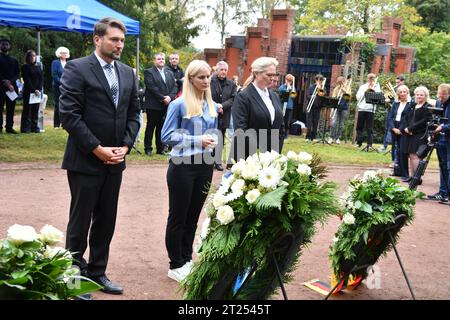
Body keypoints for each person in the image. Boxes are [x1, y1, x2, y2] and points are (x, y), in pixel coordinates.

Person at [59, 17, 140, 295]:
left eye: (122, 41)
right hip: (85, 160)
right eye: (114, 39)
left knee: (107, 219)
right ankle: (73, 276)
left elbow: (133, 113)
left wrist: (126, 146)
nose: (119, 45)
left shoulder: (128, 73)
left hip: (116, 161)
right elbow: (69, 115)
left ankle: (97, 272)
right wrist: (97, 149)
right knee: (80, 221)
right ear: (98, 39)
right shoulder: (77, 68)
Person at [161, 60, 219, 282]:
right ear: (191, 79)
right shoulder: (178, 105)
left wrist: (212, 143)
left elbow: (210, 133)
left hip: (205, 165)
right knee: (178, 216)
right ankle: (175, 264)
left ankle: (186, 259)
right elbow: (166, 137)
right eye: (201, 77)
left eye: (208, 77)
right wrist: (197, 139)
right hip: (182, 166)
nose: (206, 81)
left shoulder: (210, 105)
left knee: (193, 217)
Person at [231, 57, 284, 161]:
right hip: (249, 157)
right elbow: (241, 129)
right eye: (269, 75)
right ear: (256, 73)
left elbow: (280, 127)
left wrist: (275, 152)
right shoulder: (243, 96)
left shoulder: (275, 96)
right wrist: (258, 154)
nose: (272, 78)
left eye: (274, 75)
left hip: (272, 156)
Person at [143, 52, 178, 156]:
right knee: (150, 127)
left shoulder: (169, 72)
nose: (161, 60)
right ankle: (148, 148)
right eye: (159, 59)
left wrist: (170, 97)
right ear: (154, 61)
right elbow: (151, 87)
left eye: (162, 59)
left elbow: (175, 86)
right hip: (153, 105)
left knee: (161, 128)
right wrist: (163, 98)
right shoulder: (148, 72)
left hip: (166, 105)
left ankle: (160, 149)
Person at [399, 86, 432, 182]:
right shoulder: (412, 105)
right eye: (417, 94)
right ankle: (413, 177)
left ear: (425, 96)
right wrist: (405, 128)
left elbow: (424, 121)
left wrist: (410, 128)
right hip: (409, 134)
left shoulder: (427, 107)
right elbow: (406, 117)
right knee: (410, 155)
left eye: (421, 95)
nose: (419, 96)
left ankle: (417, 178)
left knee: (416, 156)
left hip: (419, 134)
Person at [210, 61, 236, 171]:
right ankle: (208, 160)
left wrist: (222, 106)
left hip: (224, 114)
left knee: (220, 138)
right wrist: (216, 106)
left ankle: (217, 161)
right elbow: (207, 96)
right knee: (210, 137)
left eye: (225, 70)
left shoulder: (231, 84)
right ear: (217, 70)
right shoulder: (210, 81)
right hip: (211, 113)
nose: (223, 72)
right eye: (221, 69)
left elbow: (233, 98)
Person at [427, 83, 450, 203]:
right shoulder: (440, 103)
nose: (440, 98)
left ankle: (448, 195)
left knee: (449, 166)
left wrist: (442, 127)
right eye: (439, 95)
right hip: (441, 140)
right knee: (442, 167)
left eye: (443, 96)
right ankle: (443, 192)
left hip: (448, 139)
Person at [388, 85, 412, 180]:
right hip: (394, 127)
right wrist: (393, 128)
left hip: (403, 129)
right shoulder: (395, 103)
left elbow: (407, 119)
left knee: (403, 151)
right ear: (398, 93)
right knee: (395, 150)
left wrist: (400, 129)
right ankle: (397, 171)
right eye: (400, 92)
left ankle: (405, 174)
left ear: (407, 92)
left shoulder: (411, 104)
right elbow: (390, 117)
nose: (402, 94)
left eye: (404, 92)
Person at [379, 75, 406, 152]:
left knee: (395, 129)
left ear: (402, 81)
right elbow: (389, 98)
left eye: (398, 82)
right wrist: (386, 98)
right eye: (396, 82)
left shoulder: (404, 91)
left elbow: (400, 101)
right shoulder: (394, 89)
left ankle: (394, 147)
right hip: (391, 111)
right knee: (387, 127)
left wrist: (390, 101)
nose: (397, 84)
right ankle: (384, 146)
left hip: (399, 113)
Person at [20, 50, 43, 133]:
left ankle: (34, 127)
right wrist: (34, 90)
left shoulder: (38, 67)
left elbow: (41, 79)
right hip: (28, 91)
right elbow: (27, 80)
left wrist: (39, 89)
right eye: (31, 56)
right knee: (27, 110)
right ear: (27, 57)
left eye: (34, 56)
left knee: (35, 109)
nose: (33, 57)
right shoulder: (25, 67)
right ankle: (25, 128)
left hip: (37, 92)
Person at [355, 73, 381, 148]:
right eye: (370, 78)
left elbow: (379, 97)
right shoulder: (363, 86)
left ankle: (369, 144)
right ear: (367, 78)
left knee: (369, 128)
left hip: (371, 110)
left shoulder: (376, 86)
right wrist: (365, 92)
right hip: (362, 108)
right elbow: (357, 97)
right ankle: (359, 142)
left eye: (372, 78)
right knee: (359, 127)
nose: (371, 79)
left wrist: (374, 88)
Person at [0, 38, 20, 134]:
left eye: (6, 44)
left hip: (12, 88)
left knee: (11, 108)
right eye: (3, 44)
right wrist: (5, 81)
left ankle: (9, 127)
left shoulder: (14, 60)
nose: (4, 46)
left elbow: (17, 74)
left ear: (9, 46)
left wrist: (10, 82)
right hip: (1, 87)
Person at [51, 46, 70, 129]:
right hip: (58, 86)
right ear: (59, 53)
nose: (65, 54)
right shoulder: (55, 62)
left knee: (67, 105)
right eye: (63, 52)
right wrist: (62, 83)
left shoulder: (69, 63)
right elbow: (54, 75)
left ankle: (64, 124)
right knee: (58, 104)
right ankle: (56, 124)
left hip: (68, 87)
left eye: (66, 53)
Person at [329, 76, 351, 144]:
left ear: (344, 82)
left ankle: (338, 138)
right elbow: (333, 98)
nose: (340, 84)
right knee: (333, 123)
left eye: (341, 82)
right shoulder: (336, 88)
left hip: (344, 108)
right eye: (339, 83)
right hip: (336, 107)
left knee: (341, 124)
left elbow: (349, 99)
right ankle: (331, 137)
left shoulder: (348, 88)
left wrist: (344, 92)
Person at [305, 74, 326, 142]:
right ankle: (308, 137)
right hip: (310, 106)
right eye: (318, 80)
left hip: (318, 107)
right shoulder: (311, 87)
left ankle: (314, 137)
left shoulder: (323, 88)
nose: (319, 81)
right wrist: (312, 96)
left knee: (315, 122)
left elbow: (324, 97)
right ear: (316, 80)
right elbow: (307, 96)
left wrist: (319, 88)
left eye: (321, 80)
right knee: (309, 122)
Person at [278, 74, 296, 139]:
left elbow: (293, 96)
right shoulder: (281, 87)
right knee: (281, 120)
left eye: (290, 81)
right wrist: (286, 89)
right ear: (285, 80)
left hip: (289, 107)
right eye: (287, 80)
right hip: (282, 106)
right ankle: (280, 133)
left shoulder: (293, 88)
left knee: (287, 122)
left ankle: (286, 135)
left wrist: (291, 89)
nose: (288, 82)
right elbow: (279, 94)